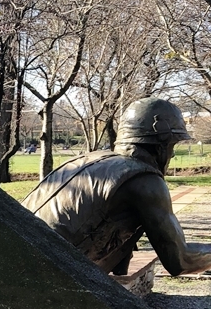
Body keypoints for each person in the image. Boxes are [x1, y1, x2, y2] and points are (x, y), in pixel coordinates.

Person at [23, 97, 211, 276]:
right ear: (161, 146)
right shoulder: (145, 182)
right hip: (43, 274)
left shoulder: (87, 160)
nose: (172, 155)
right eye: (172, 146)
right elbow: (180, 260)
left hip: (18, 258)